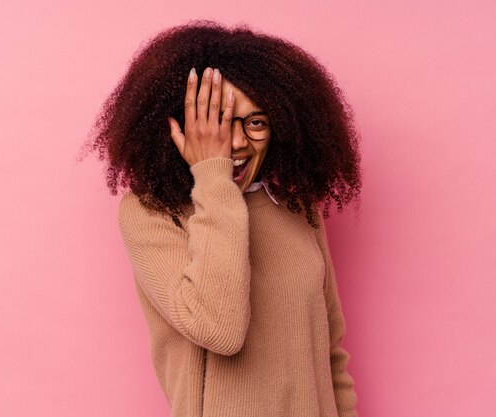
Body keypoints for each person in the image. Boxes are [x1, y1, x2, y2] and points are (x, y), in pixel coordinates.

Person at [83, 19, 362, 417]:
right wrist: (213, 178)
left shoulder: (299, 208)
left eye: (255, 122)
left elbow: (330, 352)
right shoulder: (151, 213)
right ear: (177, 126)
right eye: (214, 121)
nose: (234, 142)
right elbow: (218, 329)